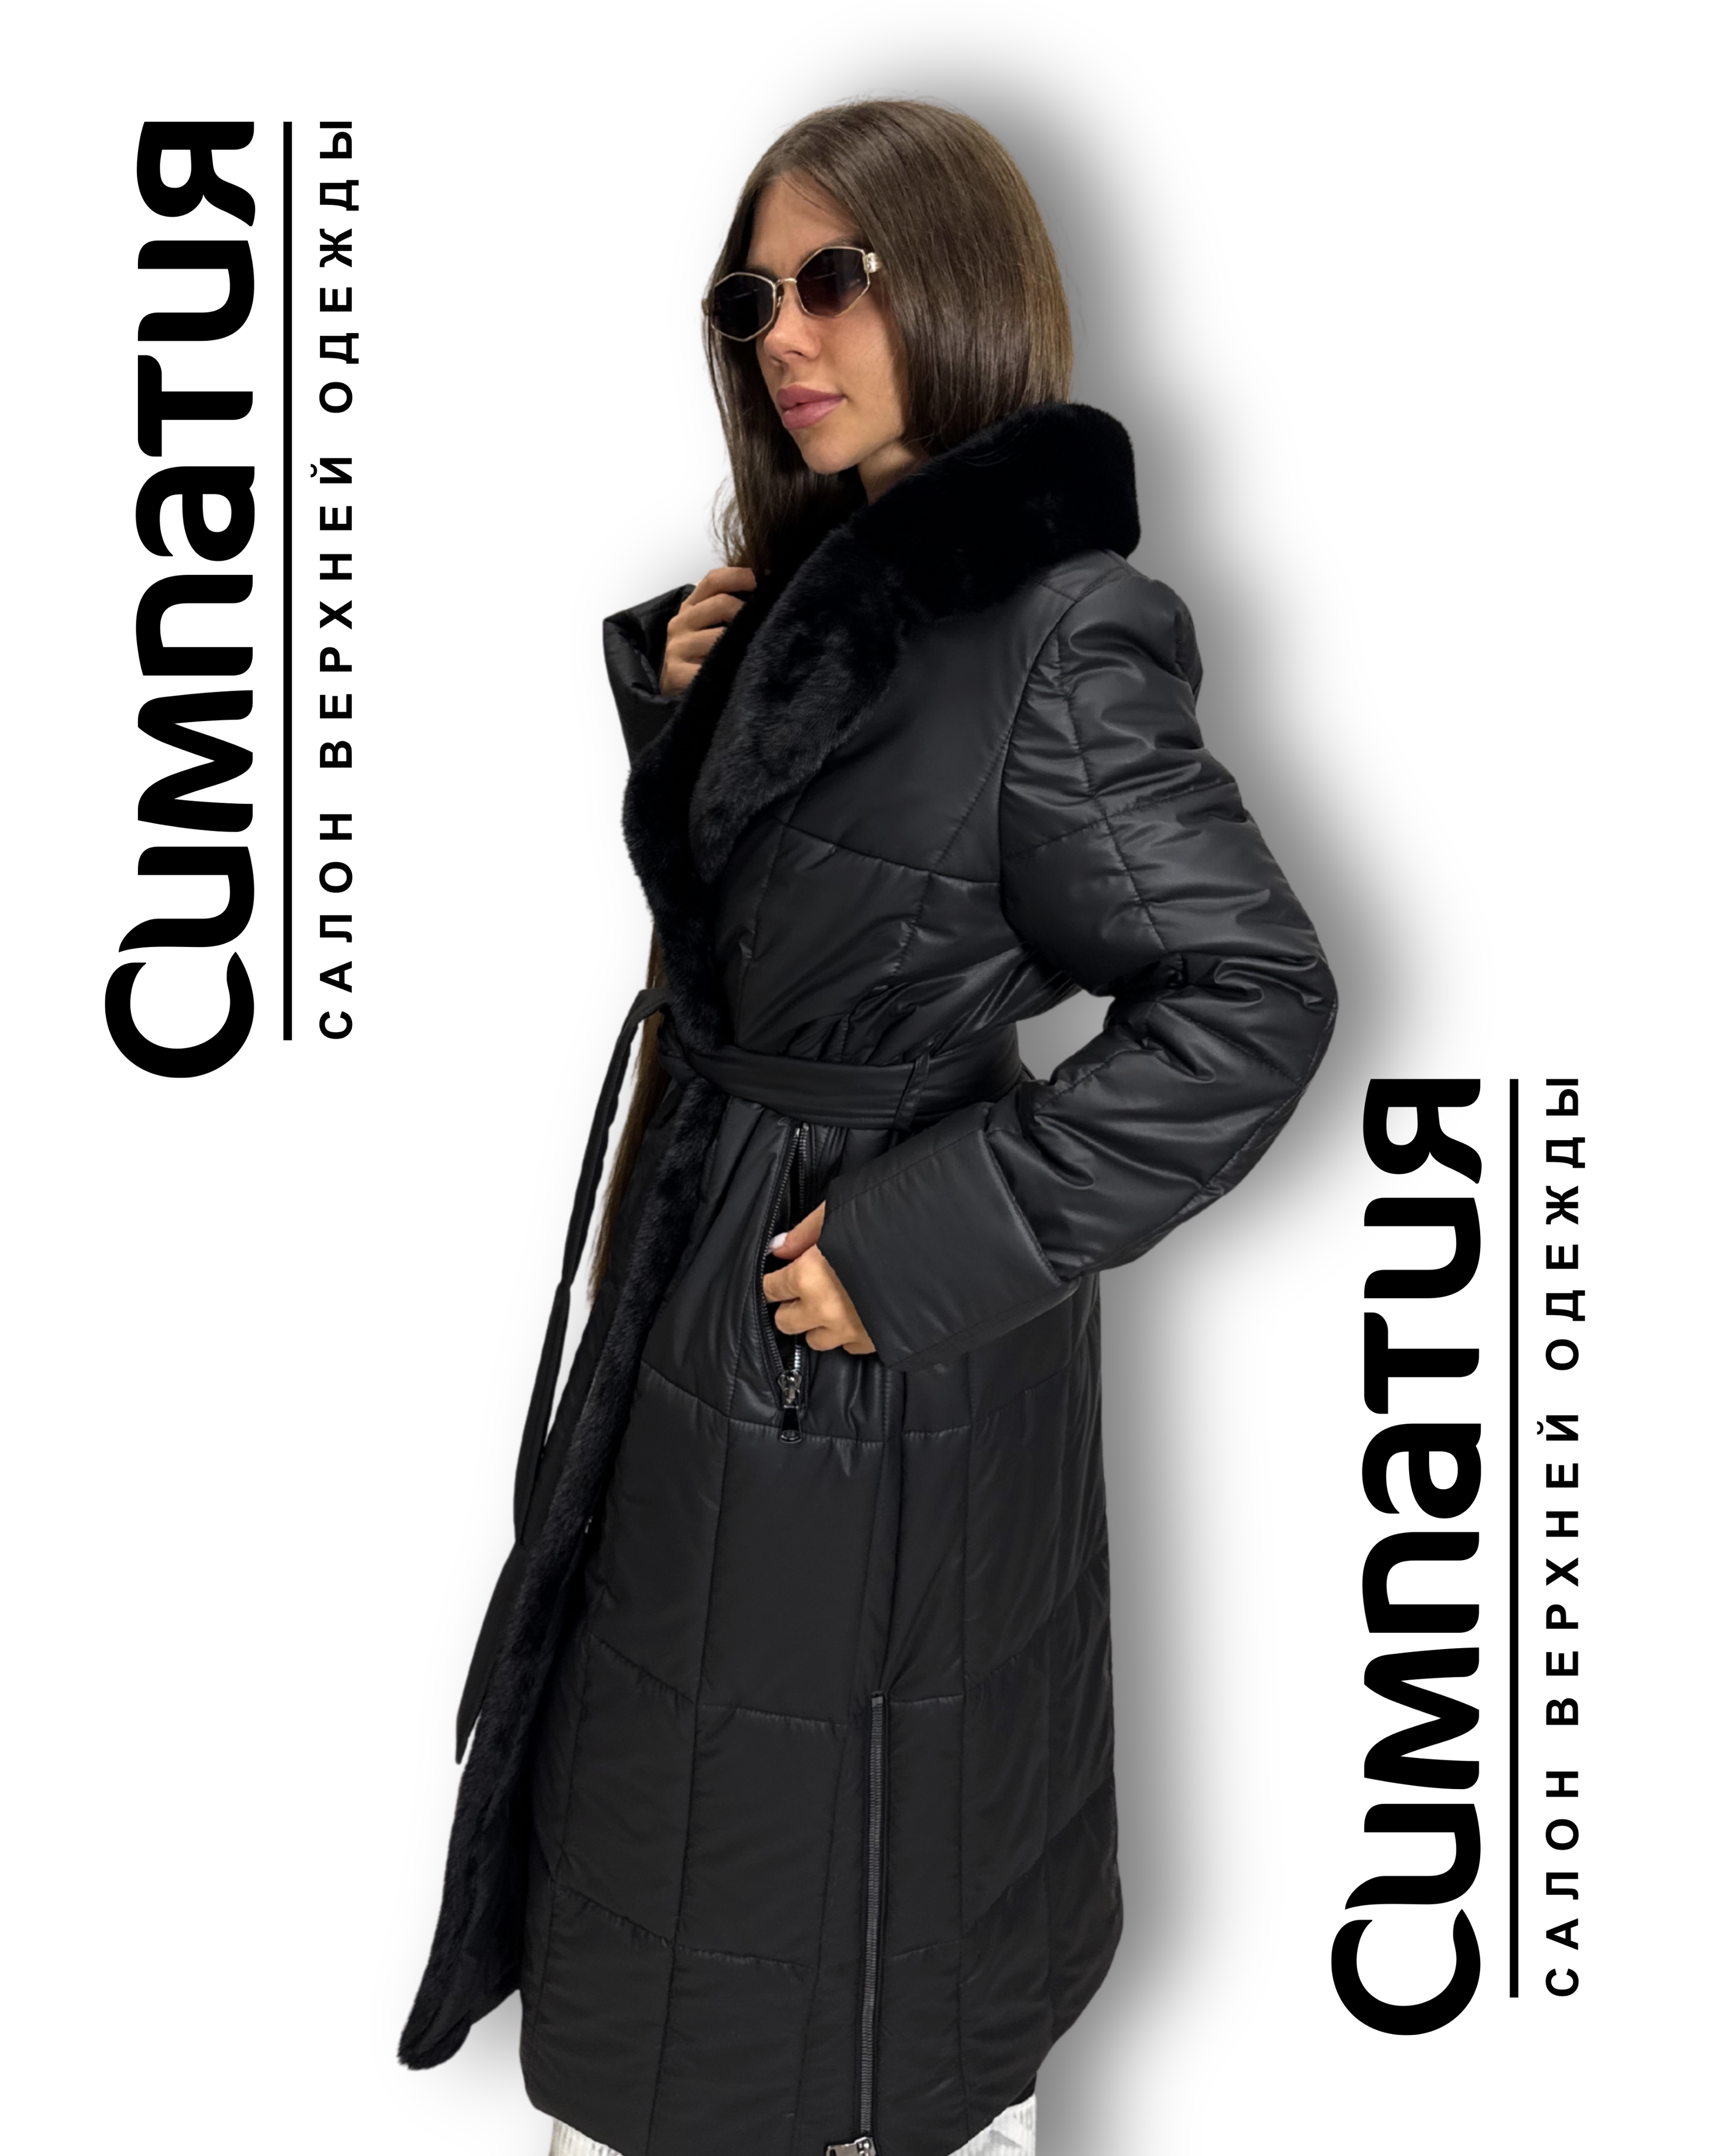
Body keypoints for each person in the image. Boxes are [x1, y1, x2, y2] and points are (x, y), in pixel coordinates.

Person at [401, 97, 1338, 2156]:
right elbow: (817, 917)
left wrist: (921, 1241)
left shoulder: (1058, 628)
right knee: (677, 1849)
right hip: (712, 1276)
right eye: (751, 298)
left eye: (833, 279)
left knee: (818, 1938)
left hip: (859, 1345)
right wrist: (695, 704)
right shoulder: (829, 593)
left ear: (961, 280)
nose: (786, 335)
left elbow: (1253, 994)